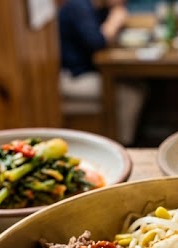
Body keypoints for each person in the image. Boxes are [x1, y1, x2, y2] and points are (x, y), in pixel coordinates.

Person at [58, 0, 145, 145]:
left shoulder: (98, 7)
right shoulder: (78, 6)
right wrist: (114, 21)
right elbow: (97, 42)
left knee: (138, 84)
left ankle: (125, 140)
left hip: (89, 71)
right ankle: (122, 144)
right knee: (130, 92)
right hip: (74, 76)